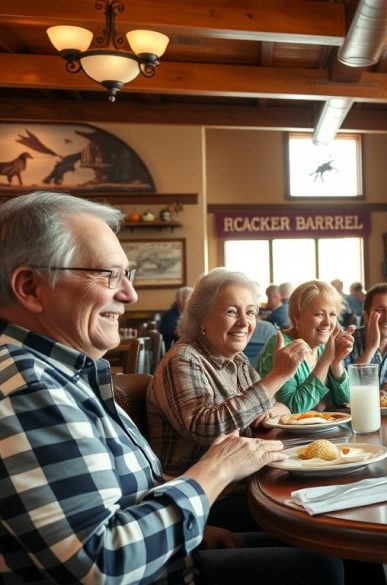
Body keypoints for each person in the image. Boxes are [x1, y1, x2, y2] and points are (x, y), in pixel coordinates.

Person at [0, 192, 342, 584]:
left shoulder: (67, 375)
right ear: (30, 287)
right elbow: (100, 566)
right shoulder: (28, 388)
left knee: (332, 546)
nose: (130, 294)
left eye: (128, 276)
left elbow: (131, 492)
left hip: (174, 551)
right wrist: (215, 470)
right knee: (323, 562)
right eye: (109, 275)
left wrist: (189, 529)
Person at [147, 268, 306, 482]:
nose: (244, 322)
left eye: (250, 312)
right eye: (231, 311)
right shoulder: (183, 358)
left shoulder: (236, 358)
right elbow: (207, 428)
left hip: (244, 477)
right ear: (201, 318)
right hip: (202, 493)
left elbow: (275, 405)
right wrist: (277, 376)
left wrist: (270, 409)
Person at [256, 280, 354, 412]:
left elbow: (346, 399)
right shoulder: (281, 346)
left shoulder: (322, 345)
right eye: (319, 314)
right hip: (285, 432)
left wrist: (336, 363)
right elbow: (291, 409)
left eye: (332, 314)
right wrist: (325, 361)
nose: (327, 322)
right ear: (297, 317)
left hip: (325, 429)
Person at [158, 285, 192, 350]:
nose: (192, 301)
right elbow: (180, 335)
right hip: (170, 350)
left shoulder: (184, 314)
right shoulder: (170, 316)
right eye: (189, 298)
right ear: (180, 300)